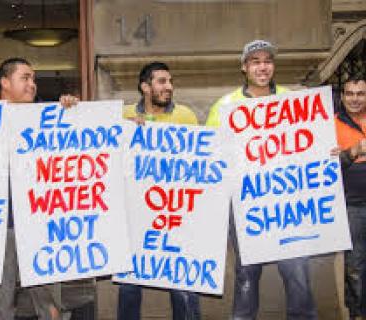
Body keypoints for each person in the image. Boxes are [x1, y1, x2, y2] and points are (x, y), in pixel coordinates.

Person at [206, 40, 318, 320]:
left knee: (297, 270)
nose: (262, 66)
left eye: (267, 60)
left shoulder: (293, 100)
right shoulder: (226, 105)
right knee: (246, 273)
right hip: (246, 204)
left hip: (287, 202)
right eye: (255, 61)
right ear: (244, 68)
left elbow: (311, 143)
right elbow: (211, 151)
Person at [0, 57, 78, 320]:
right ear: (4, 82)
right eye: (25, 78)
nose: (32, 84)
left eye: (34, 79)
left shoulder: (48, 119)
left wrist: (74, 112)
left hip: (40, 225)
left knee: (51, 307)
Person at [119, 61, 201, 320]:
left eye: (171, 82)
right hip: (136, 217)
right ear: (145, 87)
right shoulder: (123, 115)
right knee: (129, 288)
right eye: (162, 82)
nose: (169, 87)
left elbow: (200, 162)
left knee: (184, 288)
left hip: (176, 215)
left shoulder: (186, 116)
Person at [334, 75, 366, 320]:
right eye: (350, 94)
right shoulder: (331, 124)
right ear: (343, 97)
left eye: (361, 94)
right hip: (351, 204)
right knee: (355, 264)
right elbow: (326, 165)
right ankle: (357, 313)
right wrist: (353, 152)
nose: (355, 99)